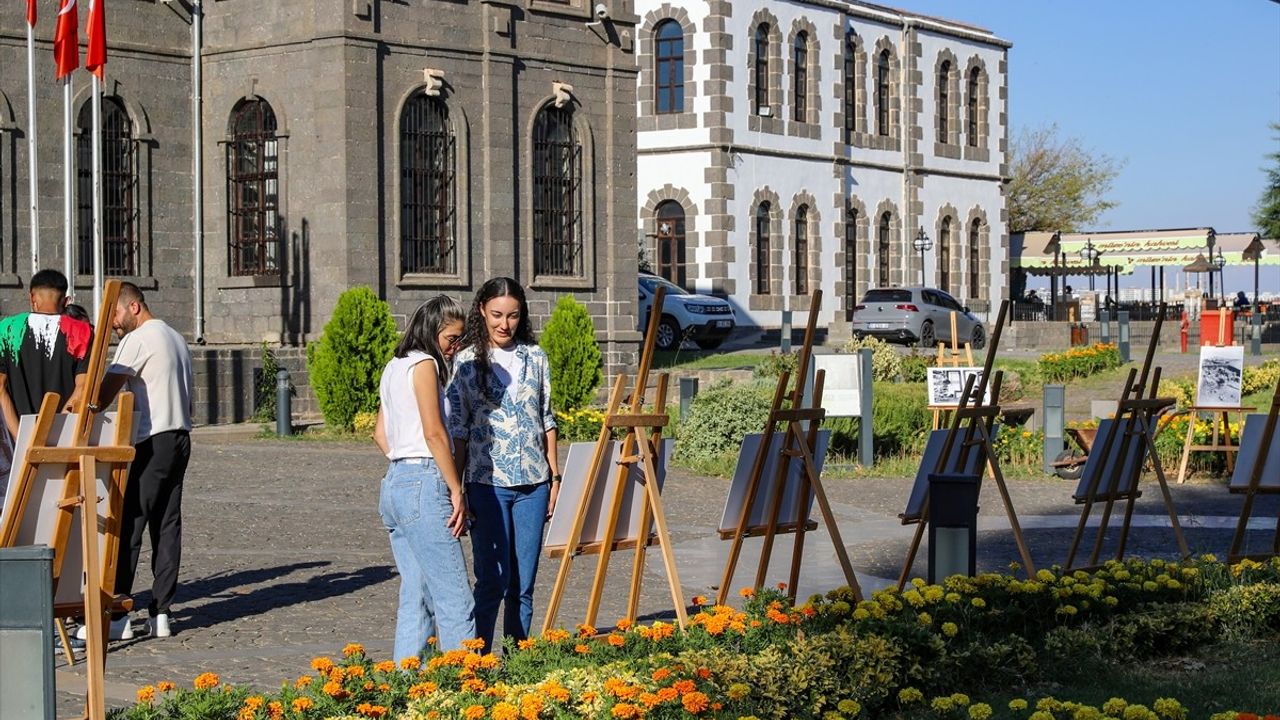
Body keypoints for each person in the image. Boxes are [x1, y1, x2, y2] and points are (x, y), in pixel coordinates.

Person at [448, 277, 559, 653]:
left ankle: (516, 665)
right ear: (482, 310)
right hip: (486, 484)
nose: (504, 324)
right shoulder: (465, 362)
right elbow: (458, 429)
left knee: (522, 585)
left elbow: (547, 419)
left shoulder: (536, 357)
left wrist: (554, 477)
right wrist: (456, 487)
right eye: (497, 315)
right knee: (492, 582)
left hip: (533, 484)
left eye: (513, 316)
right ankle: (477, 662)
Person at [372, 296, 475, 659]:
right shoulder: (426, 365)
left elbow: (380, 433)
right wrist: (455, 488)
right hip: (424, 481)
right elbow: (434, 433)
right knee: (455, 598)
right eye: (451, 338)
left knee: (415, 597)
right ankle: (468, 689)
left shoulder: (393, 366)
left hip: (395, 483)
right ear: (432, 332)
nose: (455, 347)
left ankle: (404, 687)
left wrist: (404, 463)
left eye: (460, 339)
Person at [94, 283, 194, 641]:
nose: (115, 324)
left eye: (117, 315)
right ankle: (161, 612)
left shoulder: (138, 339)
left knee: (130, 525)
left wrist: (87, 402)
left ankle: (119, 616)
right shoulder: (176, 337)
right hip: (181, 436)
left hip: (154, 439)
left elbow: (103, 393)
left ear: (134, 307)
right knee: (167, 526)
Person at [0, 270, 93, 494]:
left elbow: (0, 390)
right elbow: (82, 390)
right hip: (62, 438)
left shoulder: (7, 328)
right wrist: (56, 433)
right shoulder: (81, 331)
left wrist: (21, 437)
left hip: (19, 438)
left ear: (32, 297)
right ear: (64, 299)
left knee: (18, 509)